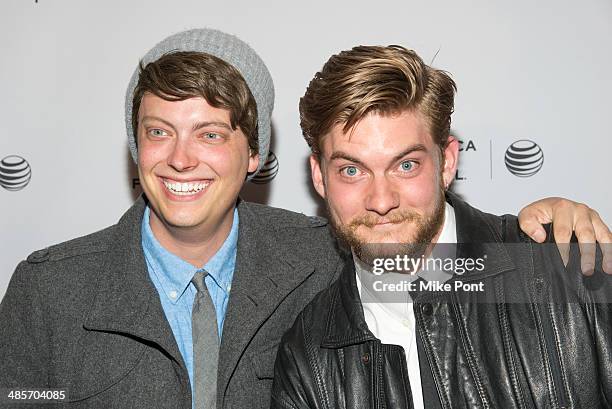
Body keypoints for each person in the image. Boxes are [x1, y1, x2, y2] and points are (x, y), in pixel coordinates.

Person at [0, 30, 608, 409]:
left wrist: (539, 229)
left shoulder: (321, 257)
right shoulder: (50, 288)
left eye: (211, 134)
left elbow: (444, 264)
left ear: (256, 154)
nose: (180, 158)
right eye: (159, 132)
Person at [271, 45, 612, 408]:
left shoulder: (567, 268)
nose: (382, 201)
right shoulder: (306, 356)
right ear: (319, 178)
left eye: (406, 166)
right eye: (351, 171)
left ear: (447, 162)